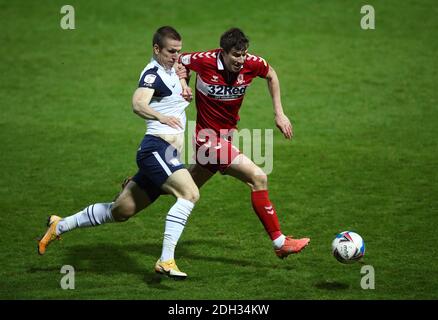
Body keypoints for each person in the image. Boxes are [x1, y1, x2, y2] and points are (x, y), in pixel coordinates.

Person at [37, 26, 198, 279]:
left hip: (166, 155)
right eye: (170, 51)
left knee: (120, 211)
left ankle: (61, 224)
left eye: (179, 51)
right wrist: (160, 117)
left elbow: (175, 88)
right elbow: (138, 103)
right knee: (189, 193)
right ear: (156, 49)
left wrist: (183, 84)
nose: (176, 56)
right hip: (156, 149)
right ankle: (166, 260)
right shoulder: (152, 74)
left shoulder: (172, 71)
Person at [177, 27, 310, 259]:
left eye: (244, 54)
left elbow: (271, 74)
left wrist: (279, 113)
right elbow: (180, 60)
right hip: (206, 139)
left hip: (226, 137)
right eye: (236, 55)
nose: (241, 60)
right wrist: (183, 83)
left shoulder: (252, 64)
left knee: (186, 188)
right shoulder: (204, 60)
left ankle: (142, 184)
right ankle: (280, 242)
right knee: (258, 177)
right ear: (224, 53)